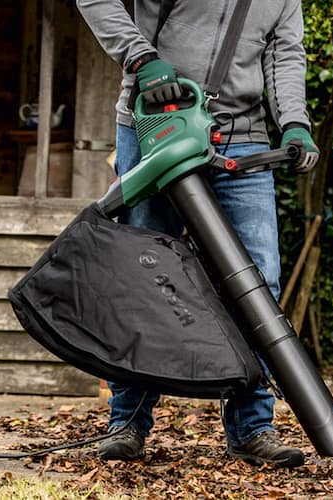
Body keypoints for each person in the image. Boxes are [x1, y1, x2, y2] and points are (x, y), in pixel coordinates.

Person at [76, 0, 319, 468]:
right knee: (144, 274)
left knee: (259, 284)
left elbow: (285, 53)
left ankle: (252, 428)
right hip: (158, 124)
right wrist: (141, 58)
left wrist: (293, 122)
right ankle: (127, 421)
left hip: (241, 138)